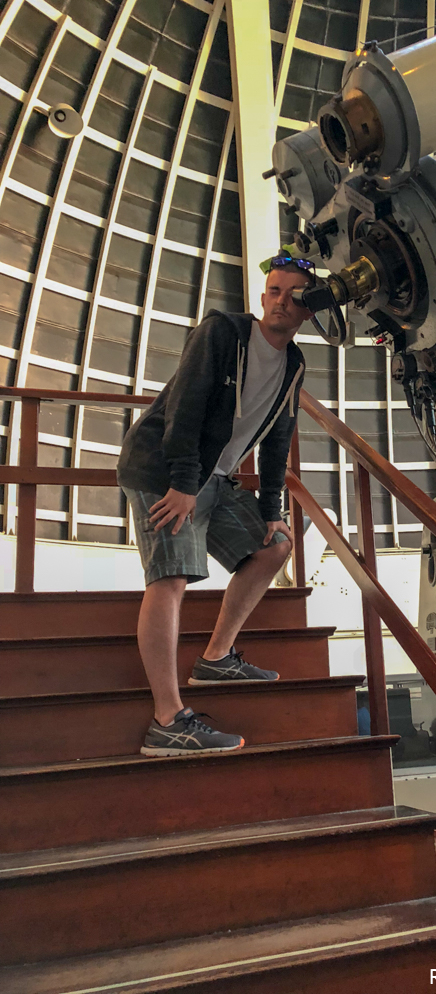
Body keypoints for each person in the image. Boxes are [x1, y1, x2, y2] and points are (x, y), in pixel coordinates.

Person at [117, 256, 314, 757]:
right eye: (274, 290)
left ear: (308, 309)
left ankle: (216, 657)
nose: (280, 301)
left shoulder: (294, 364)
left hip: (213, 478)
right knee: (171, 576)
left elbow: (277, 439)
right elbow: (183, 405)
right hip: (163, 468)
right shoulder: (223, 332)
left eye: (294, 294)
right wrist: (183, 483)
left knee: (277, 545)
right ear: (263, 295)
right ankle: (167, 720)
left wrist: (272, 508)